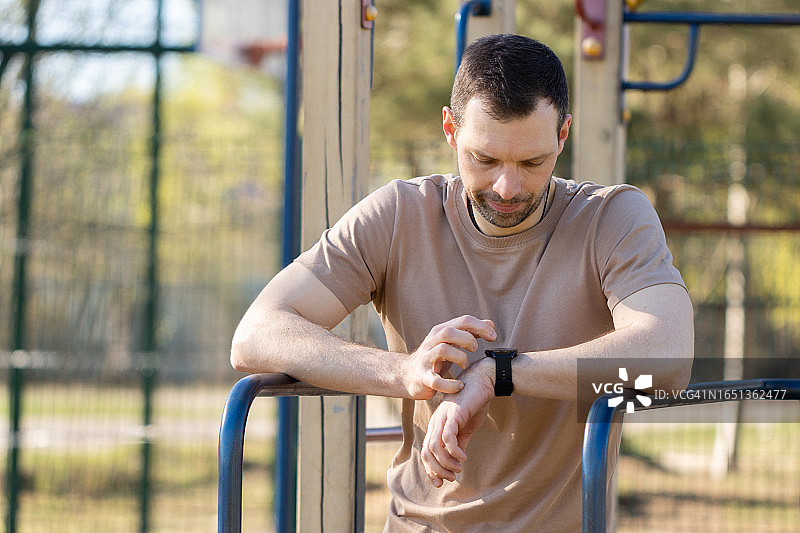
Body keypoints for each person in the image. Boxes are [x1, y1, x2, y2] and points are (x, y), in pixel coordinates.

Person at [231, 34, 694, 532]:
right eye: (486, 159)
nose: (507, 187)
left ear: (563, 136)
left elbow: (669, 358)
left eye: (532, 162)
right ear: (450, 130)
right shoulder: (398, 215)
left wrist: (499, 374)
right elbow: (256, 334)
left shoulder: (613, 217)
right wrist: (403, 372)